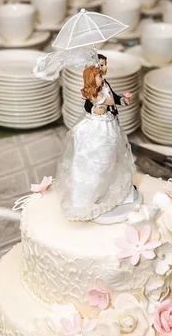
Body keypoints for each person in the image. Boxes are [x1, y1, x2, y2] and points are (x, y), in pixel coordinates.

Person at [55, 64, 135, 221]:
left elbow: (114, 100)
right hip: (97, 128)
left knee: (111, 158)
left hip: (109, 126)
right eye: (99, 76)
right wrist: (94, 110)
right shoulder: (92, 94)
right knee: (95, 158)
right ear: (92, 79)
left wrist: (124, 100)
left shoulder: (105, 87)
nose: (102, 77)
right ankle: (87, 194)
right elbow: (92, 105)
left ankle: (106, 185)